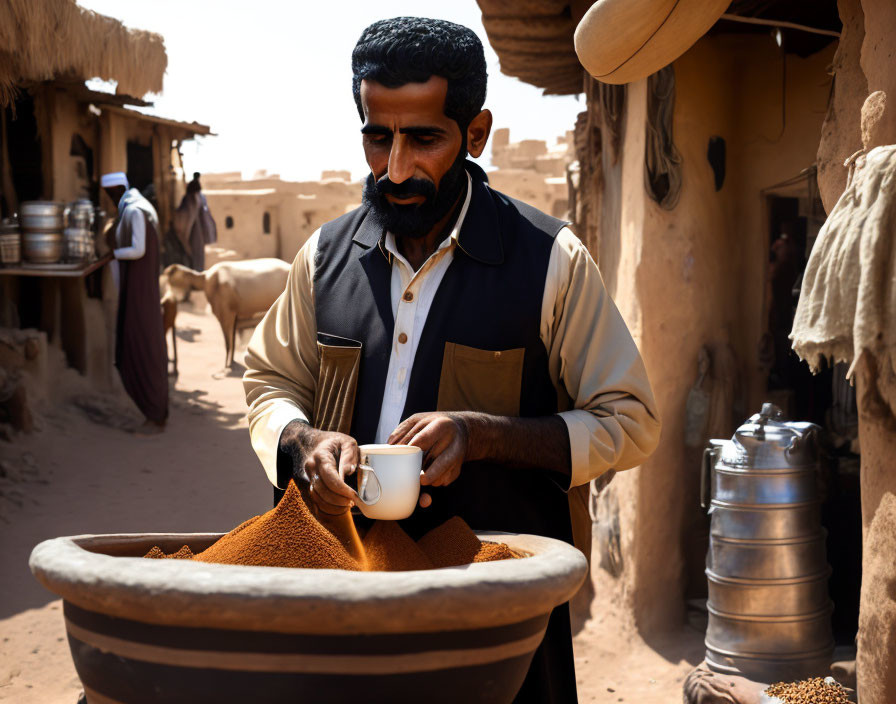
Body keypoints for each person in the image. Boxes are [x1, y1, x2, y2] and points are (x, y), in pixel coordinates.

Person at [243, 17, 661, 703]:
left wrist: (487, 433)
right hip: (339, 600)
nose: (397, 166)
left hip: (494, 623)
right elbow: (269, 384)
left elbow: (632, 420)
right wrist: (301, 441)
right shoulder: (323, 258)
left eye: (424, 138)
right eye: (379, 138)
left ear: (476, 133)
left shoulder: (549, 261)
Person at [101, 172, 168, 434]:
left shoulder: (136, 211)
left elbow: (138, 250)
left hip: (141, 290)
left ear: (117, 189)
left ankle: (154, 414)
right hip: (138, 288)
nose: (109, 199)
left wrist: (112, 254)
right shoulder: (133, 207)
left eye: (110, 194)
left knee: (143, 344)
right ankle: (153, 413)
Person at [184, 172, 217, 271]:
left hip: (197, 230)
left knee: (197, 256)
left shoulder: (197, 196)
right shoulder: (196, 196)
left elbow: (196, 214)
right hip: (196, 230)